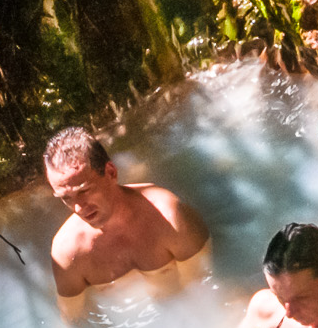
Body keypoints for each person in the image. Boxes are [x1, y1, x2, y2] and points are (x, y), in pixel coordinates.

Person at [45, 126, 208, 303]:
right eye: (66, 198)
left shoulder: (168, 218)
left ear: (111, 172)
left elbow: (205, 288)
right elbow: (74, 323)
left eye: (84, 191)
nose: (78, 208)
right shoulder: (67, 253)